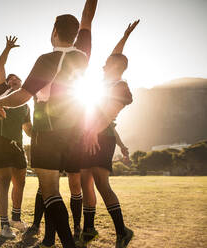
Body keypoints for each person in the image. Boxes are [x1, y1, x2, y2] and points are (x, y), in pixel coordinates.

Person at [0, 1, 98, 247]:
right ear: (74, 34)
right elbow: (88, 17)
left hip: (48, 132)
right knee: (60, 190)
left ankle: (66, 244)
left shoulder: (48, 59)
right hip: (75, 132)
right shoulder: (83, 54)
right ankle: (56, 238)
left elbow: (23, 95)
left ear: (53, 32)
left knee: (50, 191)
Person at [79, 20, 140, 248]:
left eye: (106, 63)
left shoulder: (120, 87)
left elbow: (108, 115)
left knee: (101, 183)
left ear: (115, 67)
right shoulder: (106, 80)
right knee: (85, 180)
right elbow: (117, 54)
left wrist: (93, 133)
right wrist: (124, 35)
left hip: (102, 137)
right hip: (89, 135)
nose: (103, 65)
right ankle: (88, 229)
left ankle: (122, 231)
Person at [0, 36, 33, 238]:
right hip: (0, 143)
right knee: (4, 183)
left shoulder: (25, 104)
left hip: (18, 146)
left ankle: (15, 218)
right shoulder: (1, 92)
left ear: (22, 84)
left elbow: (28, 130)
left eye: (17, 80)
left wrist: (44, 137)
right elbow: (0, 64)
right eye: (10, 79)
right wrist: (7, 48)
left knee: (21, 182)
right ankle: (4, 225)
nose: (13, 80)